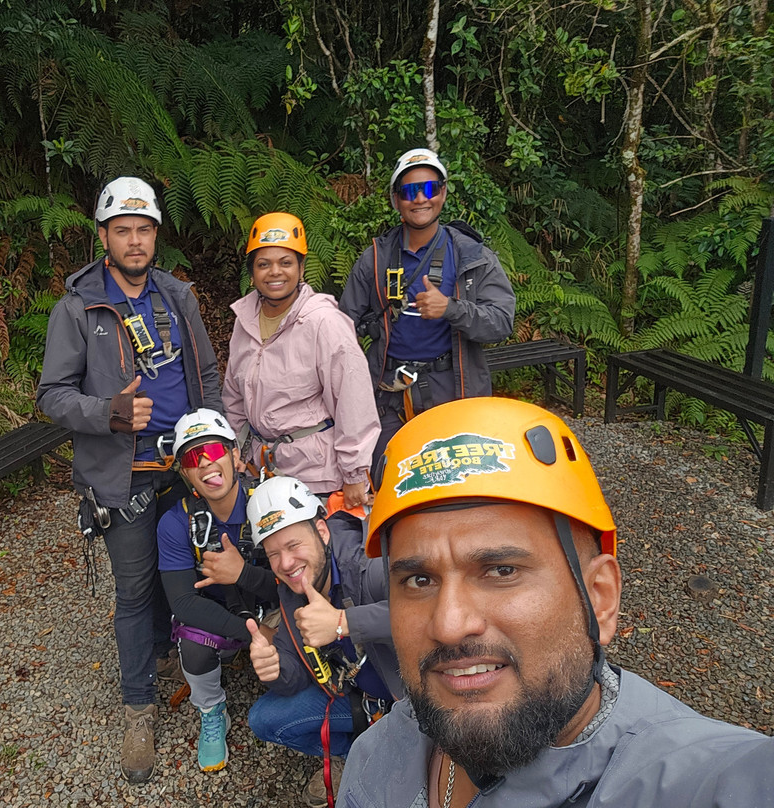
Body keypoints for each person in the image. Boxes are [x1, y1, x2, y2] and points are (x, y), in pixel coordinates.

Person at [338, 397, 774, 807]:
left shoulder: (691, 776)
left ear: (599, 599)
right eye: (418, 579)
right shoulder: (379, 748)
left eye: (502, 571)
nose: (449, 624)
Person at [36, 176, 221, 784]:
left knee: (188, 572)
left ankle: (178, 658)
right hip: (124, 473)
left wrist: (214, 437)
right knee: (136, 590)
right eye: (123, 230)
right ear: (103, 236)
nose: (135, 241)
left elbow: (206, 371)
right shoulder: (78, 307)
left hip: (186, 464)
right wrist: (107, 413)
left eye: (144, 230)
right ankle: (137, 705)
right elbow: (52, 395)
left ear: (156, 236)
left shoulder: (178, 297)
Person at [338, 148, 515, 464]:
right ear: (396, 200)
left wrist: (451, 309)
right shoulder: (375, 258)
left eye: (430, 188)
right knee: (388, 474)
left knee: (457, 480)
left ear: (443, 193)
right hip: (389, 393)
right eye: (409, 191)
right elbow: (341, 328)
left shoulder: (471, 255)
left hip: (454, 389)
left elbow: (501, 321)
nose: (420, 198)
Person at [243, 475, 401, 808]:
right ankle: (359, 755)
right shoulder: (292, 593)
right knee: (264, 718)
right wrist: (275, 668)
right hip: (361, 699)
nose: (285, 564)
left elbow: (430, 614)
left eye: (293, 545)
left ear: (322, 531)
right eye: (273, 554)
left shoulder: (371, 564)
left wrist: (344, 624)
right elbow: (296, 673)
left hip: (414, 699)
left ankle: (395, 755)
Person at [223, 212, 379, 508]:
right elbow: (234, 395)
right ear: (252, 273)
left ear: (301, 267)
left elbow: (353, 399)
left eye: (285, 262)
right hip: (261, 468)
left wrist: (355, 473)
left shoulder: (324, 323)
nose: (275, 272)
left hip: (315, 473)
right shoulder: (245, 322)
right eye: (263, 264)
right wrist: (234, 447)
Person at [156, 408, 277, 772]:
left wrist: (242, 574)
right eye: (193, 457)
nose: (206, 463)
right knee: (191, 647)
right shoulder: (176, 522)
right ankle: (211, 709)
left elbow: (304, 583)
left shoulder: (271, 502)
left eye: (214, 450)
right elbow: (182, 602)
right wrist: (255, 634)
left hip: (275, 606)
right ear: (186, 473)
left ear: (236, 455)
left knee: (308, 634)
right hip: (223, 619)